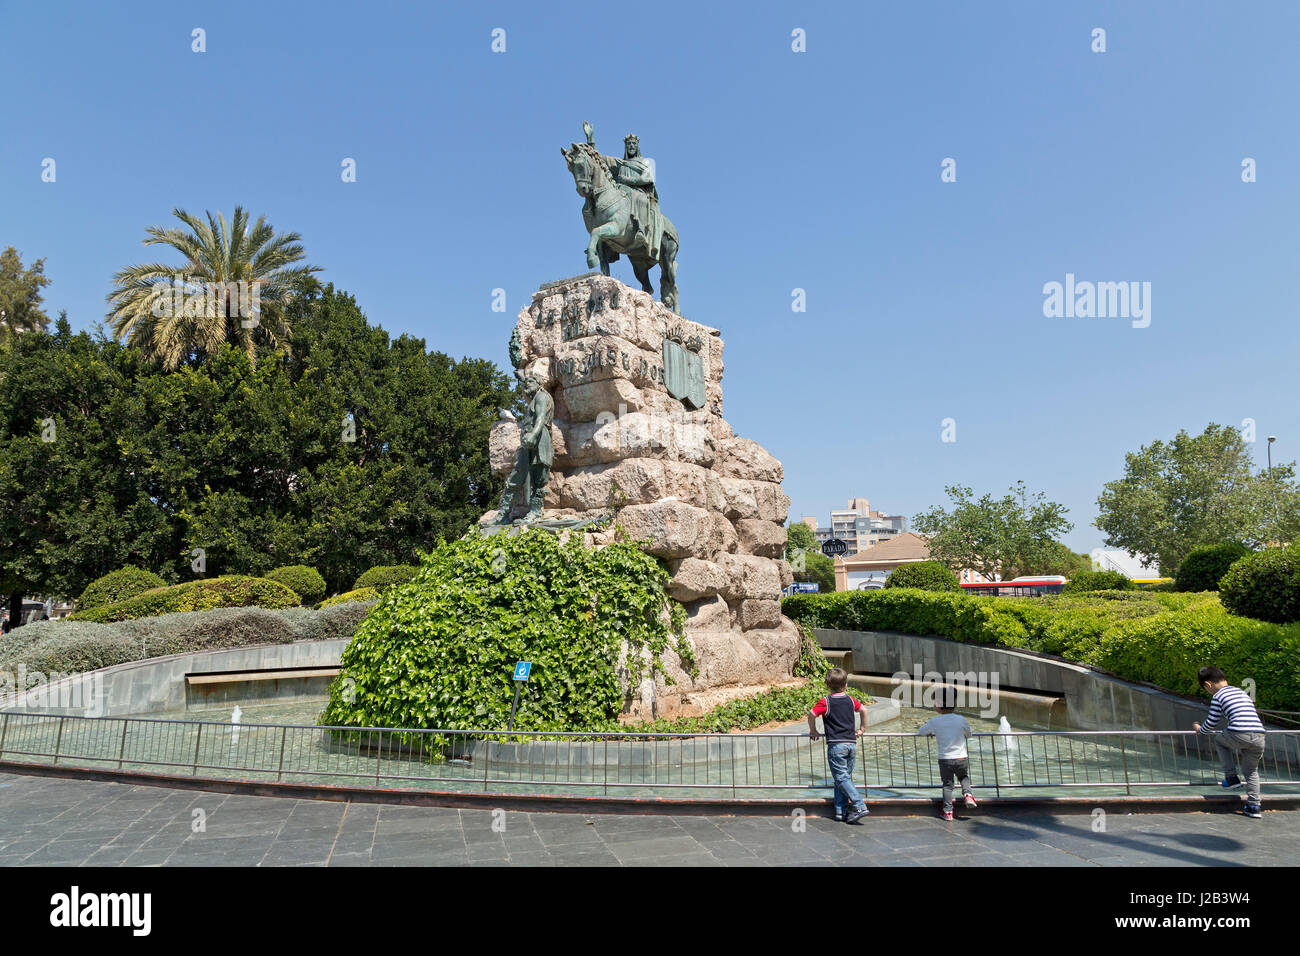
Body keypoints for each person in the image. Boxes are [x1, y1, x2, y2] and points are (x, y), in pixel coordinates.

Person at [1193, 666, 1266, 819]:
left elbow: (1213, 721)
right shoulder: (1241, 692)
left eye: (1206, 689)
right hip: (1259, 735)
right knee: (1251, 771)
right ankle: (1254, 806)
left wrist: (1201, 730)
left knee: (1219, 741)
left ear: (1208, 685)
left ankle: (1231, 777)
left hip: (1239, 731)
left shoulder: (1218, 696)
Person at [808, 668, 869, 823]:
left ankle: (859, 805)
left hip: (836, 746)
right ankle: (840, 811)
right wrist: (862, 729)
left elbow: (811, 714)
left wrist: (813, 730)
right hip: (851, 744)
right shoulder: (850, 700)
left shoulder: (826, 701)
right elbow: (864, 709)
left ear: (827, 685)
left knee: (841, 778)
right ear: (846, 685)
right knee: (842, 778)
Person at [917, 691, 976, 821]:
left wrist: (931, 732)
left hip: (945, 759)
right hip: (961, 757)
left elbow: (921, 731)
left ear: (938, 705)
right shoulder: (961, 719)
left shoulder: (935, 721)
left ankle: (948, 812)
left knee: (948, 786)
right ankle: (968, 794)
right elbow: (969, 733)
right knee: (964, 777)